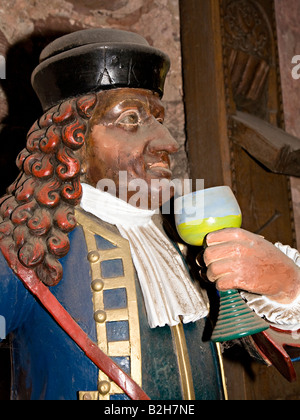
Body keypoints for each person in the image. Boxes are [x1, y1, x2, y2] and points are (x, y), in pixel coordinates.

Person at [0, 28, 300, 401]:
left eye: (158, 119)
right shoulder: (26, 238)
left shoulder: (184, 239)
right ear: (71, 141)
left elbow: (276, 349)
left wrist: (288, 288)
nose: (167, 142)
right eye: (130, 119)